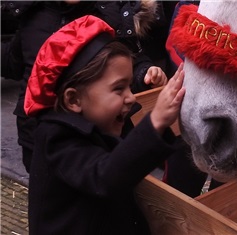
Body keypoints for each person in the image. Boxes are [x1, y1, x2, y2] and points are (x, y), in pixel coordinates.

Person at [25, 15, 185, 235]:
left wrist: (160, 129)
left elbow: (128, 160)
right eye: (119, 89)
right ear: (73, 100)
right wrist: (155, 122)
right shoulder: (56, 138)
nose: (131, 97)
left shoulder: (101, 123)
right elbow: (105, 177)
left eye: (129, 86)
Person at [1, 0, 173, 173]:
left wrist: (145, 72)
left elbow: (130, 59)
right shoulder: (34, 14)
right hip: (35, 135)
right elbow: (13, 61)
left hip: (91, 139)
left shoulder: (110, 16)